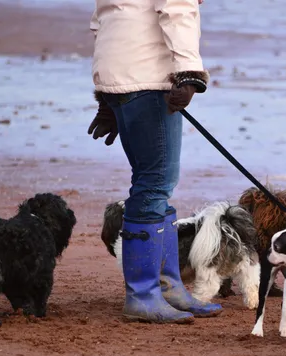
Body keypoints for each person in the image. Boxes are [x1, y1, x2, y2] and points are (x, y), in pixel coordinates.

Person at [87, 0, 222, 324]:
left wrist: (107, 96)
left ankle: (167, 287)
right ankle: (143, 294)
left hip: (122, 77)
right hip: (148, 80)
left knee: (150, 181)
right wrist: (190, 74)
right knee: (155, 182)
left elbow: (102, 19)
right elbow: (177, 8)